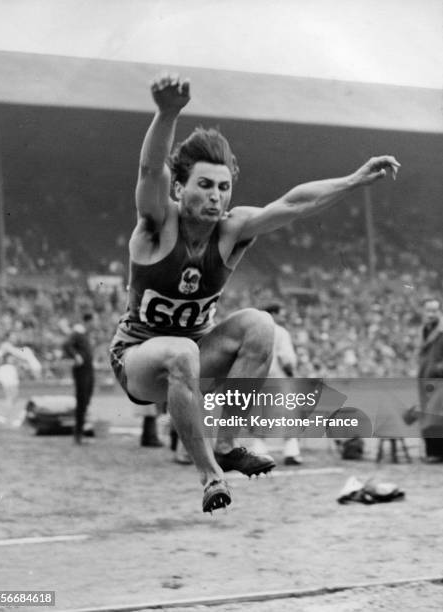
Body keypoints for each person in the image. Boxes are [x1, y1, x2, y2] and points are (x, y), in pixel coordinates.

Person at [109, 72, 401, 513]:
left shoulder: (233, 229)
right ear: (179, 187)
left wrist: (352, 181)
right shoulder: (156, 223)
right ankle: (210, 475)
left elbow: (294, 204)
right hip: (139, 360)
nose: (215, 197)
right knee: (180, 354)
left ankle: (228, 445)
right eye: (204, 185)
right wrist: (167, 113)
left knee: (261, 325)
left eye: (223, 188)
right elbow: (150, 168)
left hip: (195, 353)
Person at [249, 304, 303, 465]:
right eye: (281, 314)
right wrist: (292, 374)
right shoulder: (280, 332)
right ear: (272, 314)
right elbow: (286, 359)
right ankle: (291, 452)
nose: (283, 317)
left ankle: (258, 451)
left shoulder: (253, 332)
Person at [63, 313, 96, 444]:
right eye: (94, 321)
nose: (95, 324)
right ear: (88, 321)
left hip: (89, 370)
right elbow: (66, 345)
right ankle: (78, 434)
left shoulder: (86, 335)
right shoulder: (77, 333)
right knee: (82, 400)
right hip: (81, 371)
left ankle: (81, 431)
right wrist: (75, 356)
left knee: (86, 399)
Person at [417, 297, 443, 462]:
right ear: (423, 312)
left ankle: (438, 453)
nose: (431, 314)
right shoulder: (424, 330)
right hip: (425, 381)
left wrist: (438, 369)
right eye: (428, 310)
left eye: (435, 311)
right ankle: (432, 452)